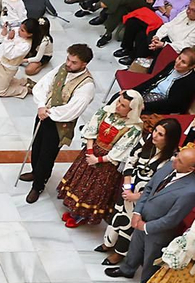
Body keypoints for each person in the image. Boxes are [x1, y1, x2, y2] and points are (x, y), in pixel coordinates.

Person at [105, 143, 195, 283]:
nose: (174, 161)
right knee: (135, 248)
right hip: (142, 218)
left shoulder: (191, 191)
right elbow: (149, 188)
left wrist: (145, 227)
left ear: (190, 169)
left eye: (180, 161)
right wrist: (138, 212)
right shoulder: (170, 165)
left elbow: (172, 219)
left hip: (158, 232)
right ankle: (127, 269)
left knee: (149, 263)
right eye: (177, 156)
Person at [55, 90, 144, 226]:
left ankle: (81, 215)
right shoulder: (105, 111)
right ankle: (73, 208)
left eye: (123, 106)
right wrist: (90, 152)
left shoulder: (133, 129)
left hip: (106, 162)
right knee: (80, 180)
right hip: (91, 151)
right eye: (119, 102)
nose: (118, 106)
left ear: (132, 110)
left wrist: (97, 160)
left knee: (94, 189)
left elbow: (121, 150)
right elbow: (92, 129)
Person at [22, 45, 98, 203]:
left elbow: (73, 110)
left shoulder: (87, 85)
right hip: (44, 113)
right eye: (68, 59)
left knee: (47, 155)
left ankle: (38, 185)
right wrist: (42, 105)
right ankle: (35, 171)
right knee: (36, 145)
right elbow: (44, 84)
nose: (68, 64)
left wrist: (49, 113)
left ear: (84, 64)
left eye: (74, 62)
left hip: (59, 123)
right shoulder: (63, 68)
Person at [101, 118, 182, 261]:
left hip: (144, 196)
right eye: (155, 130)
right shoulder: (147, 141)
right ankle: (108, 242)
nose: (155, 135)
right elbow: (131, 160)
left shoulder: (172, 159)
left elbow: (161, 185)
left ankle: (120, 253)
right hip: (129, 186)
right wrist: (127, 187)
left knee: (130, 223)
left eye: (161, 134)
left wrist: (137, 196)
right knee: (118, 213)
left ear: (170, 139)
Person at [135, 47, 195, 115]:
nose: (178, 63)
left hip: (164, 106)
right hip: (151, 92)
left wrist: (145, 106)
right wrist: (134, 90)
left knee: (133, 109)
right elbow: (154, 80)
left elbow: (173, 104)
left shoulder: (190, 81)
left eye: (183, 62)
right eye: (179, 58)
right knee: (129, 99)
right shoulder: (172, 65)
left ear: (191, 66)